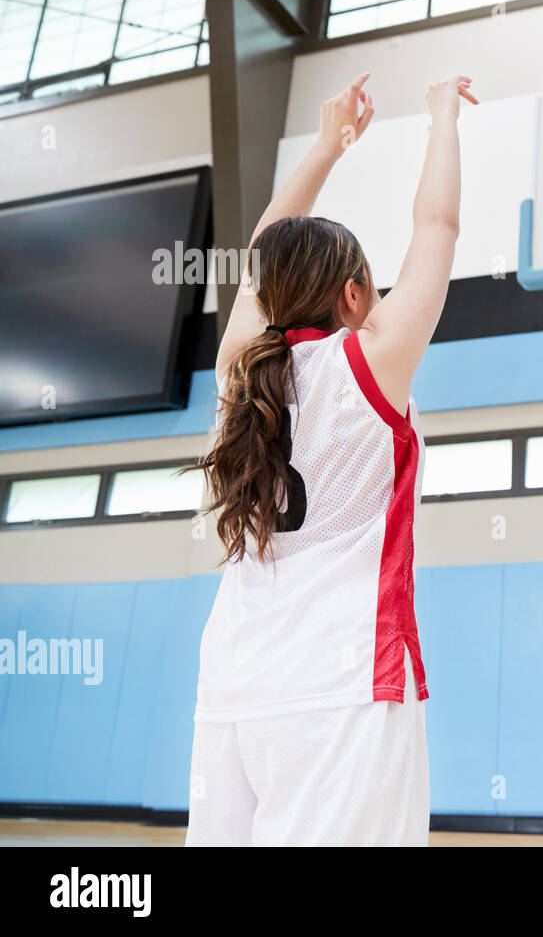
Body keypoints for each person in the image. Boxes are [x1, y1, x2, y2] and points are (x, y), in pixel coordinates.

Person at [184, 73, 477, 846]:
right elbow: (438, 224)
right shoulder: (373, 364)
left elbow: (259, 263)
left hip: (234, 686)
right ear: (353, 296)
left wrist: (327, 145)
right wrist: (441, 112)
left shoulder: (239, 369)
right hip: (346, 683)